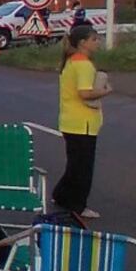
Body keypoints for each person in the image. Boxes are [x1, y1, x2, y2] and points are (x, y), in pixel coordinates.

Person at [52, 25, 110, 219]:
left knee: (74, 164)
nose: (97, 43)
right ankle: (78, 205)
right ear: (83, 43)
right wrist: (106, 90)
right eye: (94, 39)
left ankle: (61, 195)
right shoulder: (84, 64)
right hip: (83, 122)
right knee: (83, 168)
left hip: (70, 120)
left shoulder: (70, 62)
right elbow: (85, 93)